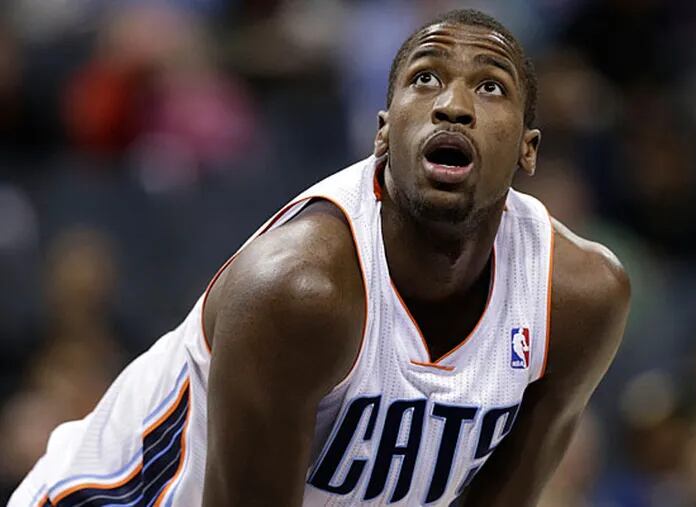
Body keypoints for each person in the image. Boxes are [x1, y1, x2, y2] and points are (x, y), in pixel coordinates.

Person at [11, 8, 630, 506]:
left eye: (490, 87)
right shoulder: (299, 288)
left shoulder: (578, 298)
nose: (452, 105)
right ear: (383, 132)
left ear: (528, 149)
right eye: (425, 79)